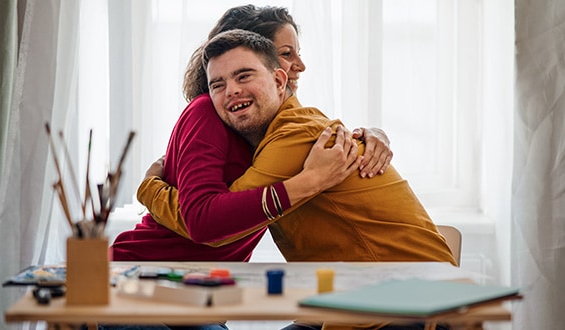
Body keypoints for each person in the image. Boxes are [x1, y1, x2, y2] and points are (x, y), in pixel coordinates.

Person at [200, 28, 454, 330]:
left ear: (277, 80)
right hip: (344, 308)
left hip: (404, 307)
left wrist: (151, 187)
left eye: (244, 76)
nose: (298, 66)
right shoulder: (281, 136)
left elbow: (212, 221)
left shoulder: (293, 135)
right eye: (219, 83)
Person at [111, 5, 391, 261]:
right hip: (141, 272)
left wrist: (369, 133)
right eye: (285, 54)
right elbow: (202, 220)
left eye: (297, 53)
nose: (300, 66)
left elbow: (313, 131)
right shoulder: (206, 112)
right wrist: (150, 189)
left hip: (200, 291)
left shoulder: (270, 128)